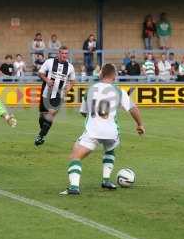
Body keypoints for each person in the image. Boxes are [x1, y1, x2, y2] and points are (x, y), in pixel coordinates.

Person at [60, 64, 145, 195]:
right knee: (110, 149)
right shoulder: (118, 91)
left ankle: (74, 187)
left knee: (75, 156)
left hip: (94, 131)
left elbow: (83, 112)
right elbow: (133, 109)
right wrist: (140, 125)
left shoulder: (90, 90)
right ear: (114, 75)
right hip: (111, 132)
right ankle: (106, 180)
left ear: (101, 74)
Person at [34, 46, 76, 146]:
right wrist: (47, 80)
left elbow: (73, 81)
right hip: (46, 93)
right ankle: (43, 132)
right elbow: (40, 73)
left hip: (58, 94)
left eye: (66, 53)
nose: (64, 55)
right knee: (43, 116)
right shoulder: (49, 62)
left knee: (51, 113)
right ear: (59, 53)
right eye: (62, 53)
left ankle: (41, 136)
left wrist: (68, 89)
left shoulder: (70, 67)